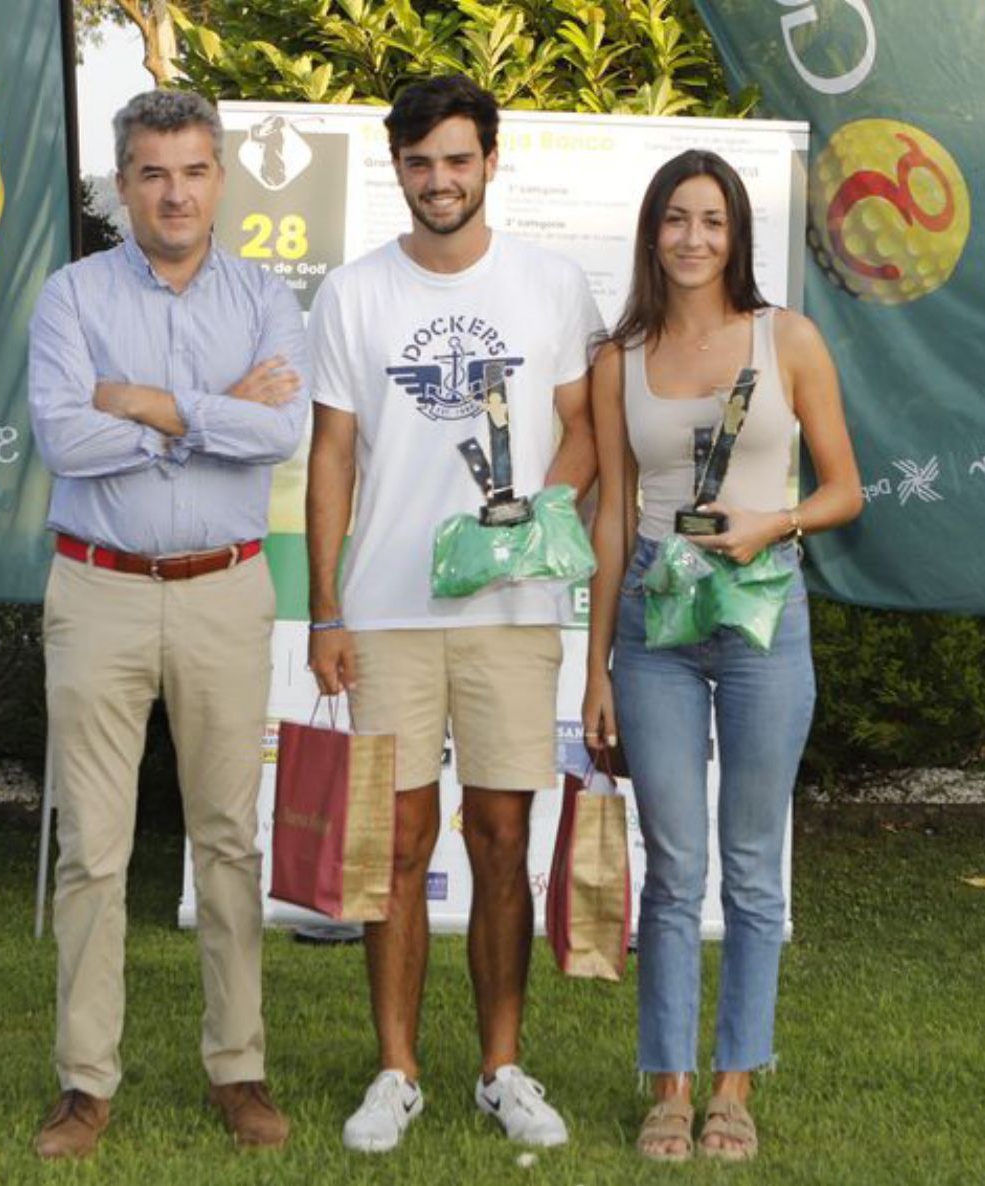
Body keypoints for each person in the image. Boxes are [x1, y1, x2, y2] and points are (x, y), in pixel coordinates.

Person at [305, 75, 602, 1155]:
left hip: (511, 608)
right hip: (383, 609)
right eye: (420, 162)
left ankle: (500, 1066)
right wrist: (325, 607)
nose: (440, 180)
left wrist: (527, 522)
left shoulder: (551, 285)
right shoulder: (351, 294)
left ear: (490, 161)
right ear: (398, 169)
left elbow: (584, 429)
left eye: (458, 159)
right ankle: (396, 1071)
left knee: (501, 834)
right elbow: (331, 453)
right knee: (391, 846)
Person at [25, 89, 309, 1159]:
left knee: (228, 840)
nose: (174, 191)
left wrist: (147, 402)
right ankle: (84, 1081)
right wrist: (203, 411)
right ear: (122, 182)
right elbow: (64, 438)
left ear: (219, 177)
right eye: (152, 172)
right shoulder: (70, 295)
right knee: (92, 849)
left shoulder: (264, 297)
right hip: (96, 589)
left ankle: (238, 1068)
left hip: (225, 591)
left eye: (192, 170)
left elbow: (278, 428)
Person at [581, 149, 862, 1162]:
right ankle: (665, 1084)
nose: (692, 238)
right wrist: (593, 668)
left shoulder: (784, 338)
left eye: (712, 220)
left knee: (749, 868)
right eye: (674, 219)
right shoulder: (618, 358)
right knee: (672, 869)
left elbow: (844, 489)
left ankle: (733, 1085)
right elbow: (611, 514)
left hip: (759, 614)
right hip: (654, 626)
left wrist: (771, 524)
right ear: (651, 232)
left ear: (736, 234)